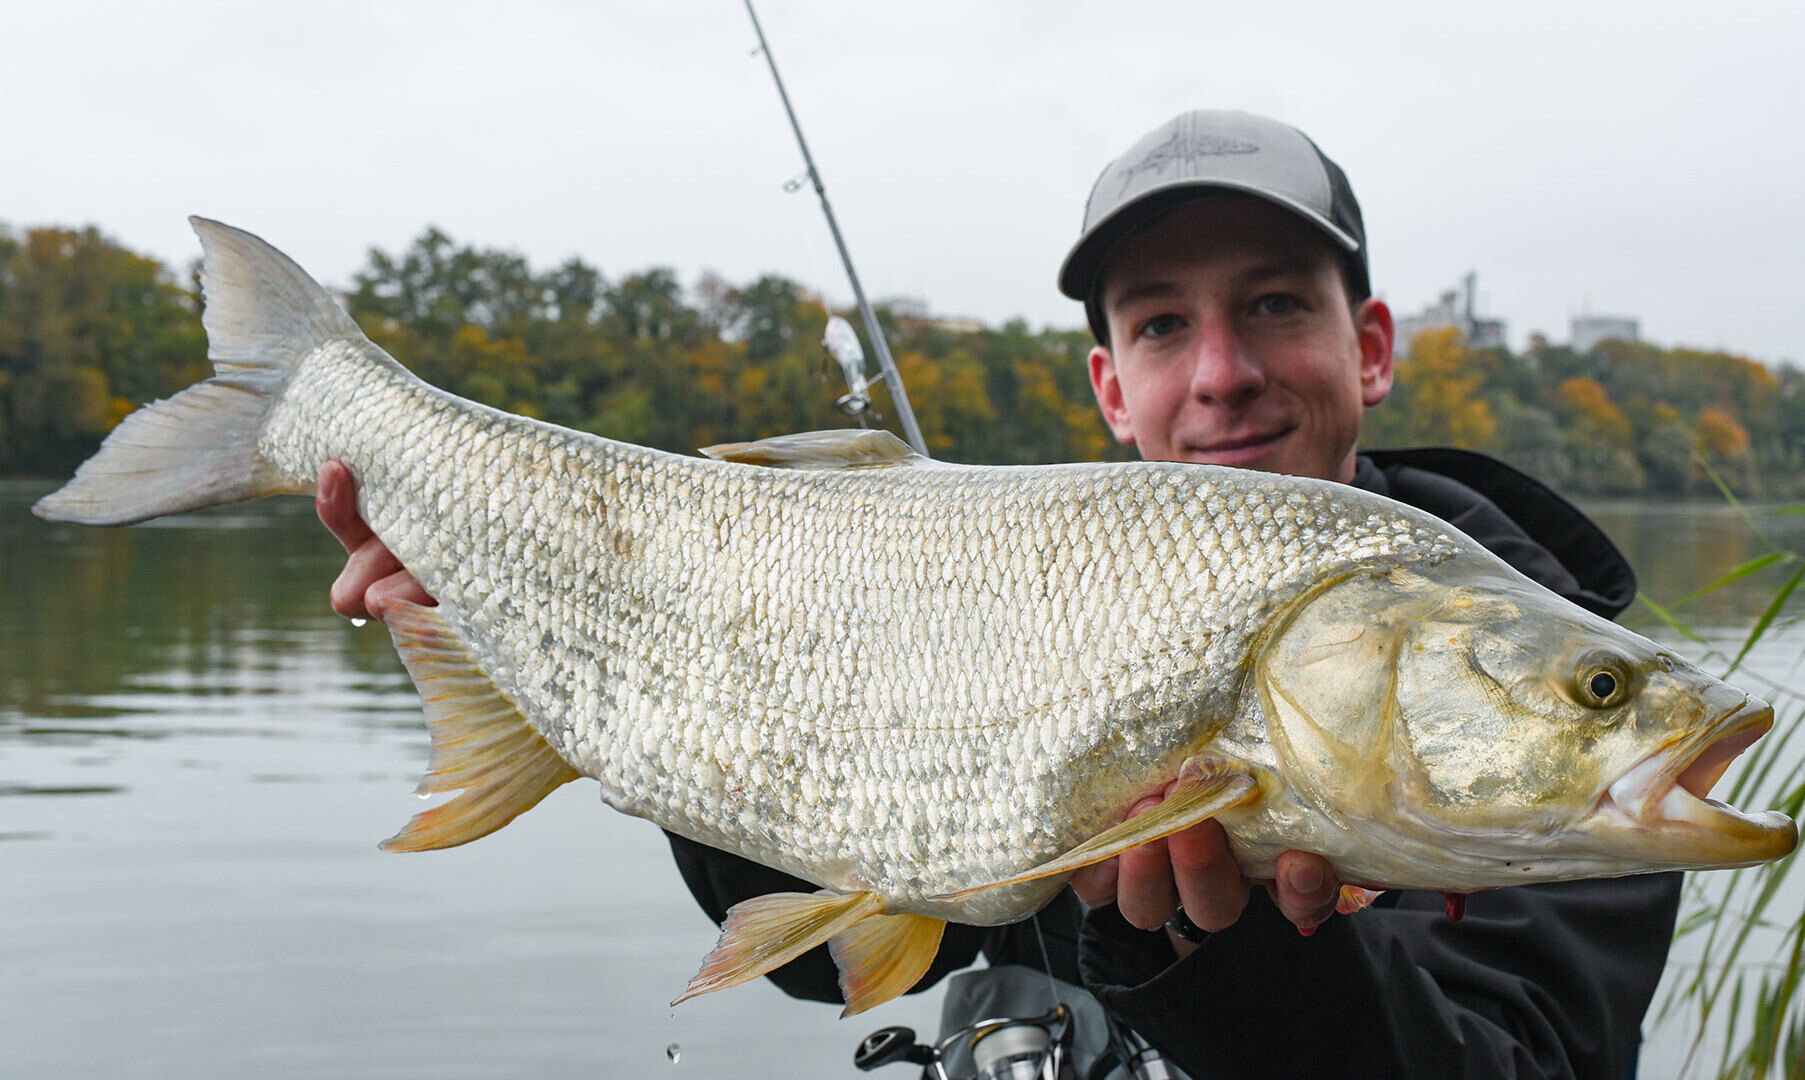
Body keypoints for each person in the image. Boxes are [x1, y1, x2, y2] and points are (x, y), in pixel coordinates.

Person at [318, 109, 1677, 1079]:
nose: (1219, 371)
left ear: (1367, 346)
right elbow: (813, 954)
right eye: (1160, 324)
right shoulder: (1023, 582)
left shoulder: (1553, 692)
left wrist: (1245, 958)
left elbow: (1528, 1057)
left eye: (1274, 305)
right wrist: (527, 627)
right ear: (1108, 385)